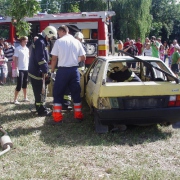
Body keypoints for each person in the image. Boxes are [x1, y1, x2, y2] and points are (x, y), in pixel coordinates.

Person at [50, 25, 86, 125]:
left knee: (58, 93)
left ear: (62, 31)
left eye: (58, 33)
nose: (58, 35)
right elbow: (83, 57)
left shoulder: (59, 42)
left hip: (62, 71)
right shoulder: (77, 41)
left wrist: (52, 72)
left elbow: (54, 59)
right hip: (74, 70)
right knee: (76, 93)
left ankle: (57, 119)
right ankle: (78, 116)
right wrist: (74, 60)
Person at [28, 26, 57, 116]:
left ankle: (40, 108)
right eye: (51, 37)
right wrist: (46, 71)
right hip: (37, 72)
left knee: (40, 91)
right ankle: (41, 111)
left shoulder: (41, 42)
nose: (51, 39)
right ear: (48, 34)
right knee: (40, 92)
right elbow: (40, 59)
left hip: (37, 71)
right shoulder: (41, 42)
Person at [13, 36, 29, 105]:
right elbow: (15, 59)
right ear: (22, 40)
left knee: (25, 84)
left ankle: (25, 97)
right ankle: (15, 99)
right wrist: (16, 68)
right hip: (20, 69)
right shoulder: (17, 49)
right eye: (26, 40)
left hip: (26, 68)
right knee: (19, 84)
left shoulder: (27, 49)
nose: (27, 41)